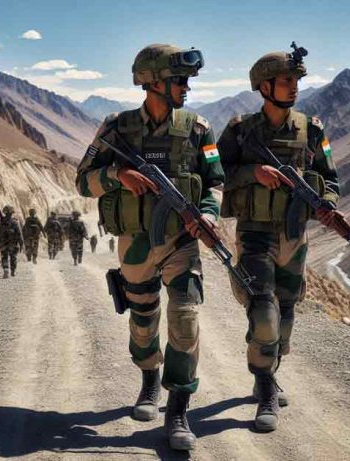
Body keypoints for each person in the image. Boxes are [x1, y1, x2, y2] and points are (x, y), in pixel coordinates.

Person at [75, 43, 223, 451]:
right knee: (143, 319)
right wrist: (117, 175)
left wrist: (208, 214)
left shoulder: (198, 128)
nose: (187, 87)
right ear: (153, 82)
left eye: (188, 80)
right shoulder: (117, 127)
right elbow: (82, 181)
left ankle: (178, 409)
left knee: (185, 317)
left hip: (182, 241)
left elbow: (216, 183)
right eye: (180, 79)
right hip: (136, 243)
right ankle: (148, 383)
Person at [217, 44, 342, 432]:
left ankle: (269, 365)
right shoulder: (239, 131)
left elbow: (331, 179)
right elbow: (215, 173)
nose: (294, 87)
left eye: (296, 81)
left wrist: (327, 204)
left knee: (285, 316)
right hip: (254, 234)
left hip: (294, 236)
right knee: (265, 313)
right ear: (264, 87)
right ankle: (265, 386)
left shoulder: (313, 130)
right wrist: (252, 173)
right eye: (286, 81)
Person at [0, 205, 24, 278]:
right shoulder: (15, 222)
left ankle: (6, 269)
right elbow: (19, 234)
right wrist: (21, 243)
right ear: (12, 213)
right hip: (13, 244)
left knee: (4, 257)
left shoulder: (0, 221)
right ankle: (13, 271)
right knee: (13, 257)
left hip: (3, 243)